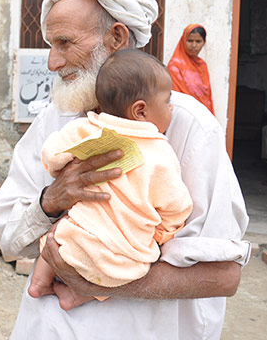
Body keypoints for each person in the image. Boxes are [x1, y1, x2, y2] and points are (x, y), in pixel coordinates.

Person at [0, 0, 250, 340]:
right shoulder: (57, 120)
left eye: (65, 43)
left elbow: (223, 276)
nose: (52, 61)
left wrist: (99, 282)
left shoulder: (189, 128)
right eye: (50, 44)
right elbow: (9, 237)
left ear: (116, 37)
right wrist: (51, 201)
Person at [29, 50, 192, 307]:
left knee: (55, 234)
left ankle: (39, 282)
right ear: (141, 111)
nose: (171, 107)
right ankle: (76, 296)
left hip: (77, 240)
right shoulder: (162, 153)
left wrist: (58, 167)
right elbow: (177, 206)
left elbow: (52, 154)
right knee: (108, 281)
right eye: (167, 102)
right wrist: (161, 235)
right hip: (125, 258)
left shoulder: (88, 128)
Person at [167, 24, 214, 114]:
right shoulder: (175, 65)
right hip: (183, 114)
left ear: (204, 42)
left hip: (202, 114)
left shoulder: (202, 65)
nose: (193, 45)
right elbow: (175, 96)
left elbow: (207, 97)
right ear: (183, 41)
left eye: (198, 41)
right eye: (190, 41)